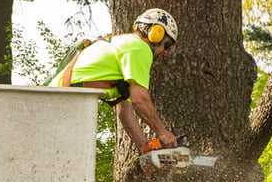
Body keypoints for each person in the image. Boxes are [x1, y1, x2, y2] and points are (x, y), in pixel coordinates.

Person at [50, 8, 179, 151]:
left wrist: (144, 148)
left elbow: (125, 110)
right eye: (166, 45)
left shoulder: (126, 46)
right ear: (156, 34)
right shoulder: (139, 48)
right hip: (59, 103)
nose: (166, 52)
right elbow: (139, 99)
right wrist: (162, 133)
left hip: (59, 101)